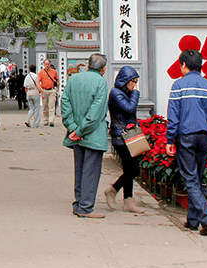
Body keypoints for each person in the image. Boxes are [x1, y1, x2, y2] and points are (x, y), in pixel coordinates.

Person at [166, 49, 207, 236]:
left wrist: (169, 139)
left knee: (190, 180)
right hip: (204, 138)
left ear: (184, 65)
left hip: (186, 136)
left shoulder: (179, 86)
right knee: (196, 179)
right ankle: (192, 220)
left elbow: (173, 116)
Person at [62, 53, 109, 218]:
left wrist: (73, 128)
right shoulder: (101, 82)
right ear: (103, 69)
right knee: (91, 172)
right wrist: (81, 130)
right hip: (93, 134)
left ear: (88, 65)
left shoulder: (73, 79)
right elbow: (96, 111)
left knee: (80, 169)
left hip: (76, 134)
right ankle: (86, 207)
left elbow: (65, 103)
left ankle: (79, 203)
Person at [105, 65, 143, 214]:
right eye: (133, 82)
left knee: (130, 169)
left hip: (129, 136)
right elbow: (129, 109)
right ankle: (113, 190)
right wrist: (136, 94)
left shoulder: (126, 93)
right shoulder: (116, 93)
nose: (134, 85)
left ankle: (128, 200)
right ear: (125, 80)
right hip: (120, 137)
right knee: (133, 169)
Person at [39, 59, 59, 127]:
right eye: (46, 64)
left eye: (48, 64)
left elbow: (57, 80)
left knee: (51, 106)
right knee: (45, 107)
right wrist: (41, 90)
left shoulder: (53, 72)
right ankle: (45, 120)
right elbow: (38, 81)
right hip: (44, 90)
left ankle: (51, 121)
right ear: (44, 65)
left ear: (50, 64)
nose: (47, 65)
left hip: (51, 91)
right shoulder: (41, 72)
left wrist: (57, 89)